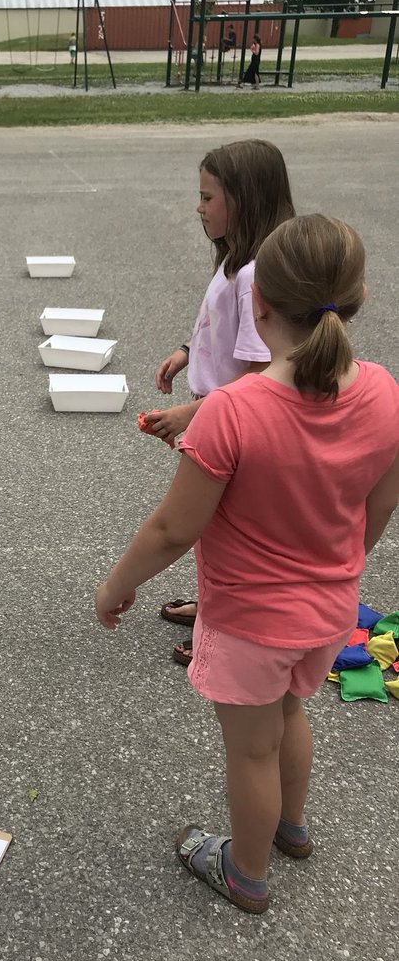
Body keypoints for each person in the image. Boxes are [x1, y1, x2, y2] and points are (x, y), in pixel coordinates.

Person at [96, 214, 399, 914]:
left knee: (252, 750)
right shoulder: (384, 392)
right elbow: (379, 507)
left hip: (250, 622)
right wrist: (341, 565)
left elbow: (174, 527)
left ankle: (246, 873)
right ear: (357, 297)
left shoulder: (233, 410)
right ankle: (291, 830)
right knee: (292, 715)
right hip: (330, 609)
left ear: (257, 305)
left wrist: (116, 586)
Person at [147, 140, 295, 664]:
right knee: (211, 524)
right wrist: (188, 351)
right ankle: (212, 603)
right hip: (221, 411)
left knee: (228, 529)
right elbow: (218, 324)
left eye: (208, 197)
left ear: (245, 200)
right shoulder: (237, 256)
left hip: (238, 421)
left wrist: (190, 413)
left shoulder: (257, 274)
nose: (199, 207)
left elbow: (260, 373)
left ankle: (222, 627)